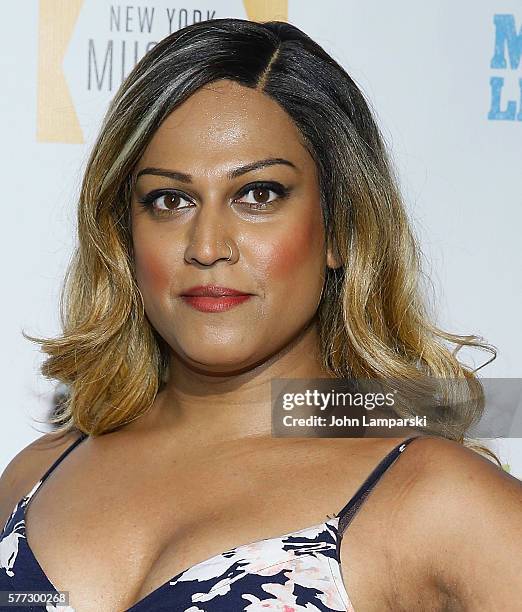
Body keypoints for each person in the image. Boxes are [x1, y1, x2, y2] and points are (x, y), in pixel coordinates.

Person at [0, 17, 521, 612]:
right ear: (124, 234)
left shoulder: (433, 501)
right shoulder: (32, 480)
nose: (207, 245)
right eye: (170, 200)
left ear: (341, 228)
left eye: (259, 195)